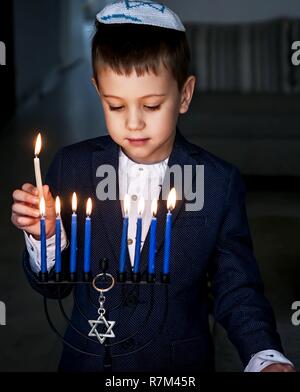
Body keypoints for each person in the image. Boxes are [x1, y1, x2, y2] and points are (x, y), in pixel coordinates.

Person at [11, 1, 295, 372]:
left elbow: (236, 289)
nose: (133, 124)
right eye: (115, 106)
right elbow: (54, 287)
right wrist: (45, 237)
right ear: (98, 92)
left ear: (185, 95)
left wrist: (264, 355)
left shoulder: (217, 182)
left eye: (151, 105)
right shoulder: (72, 167)